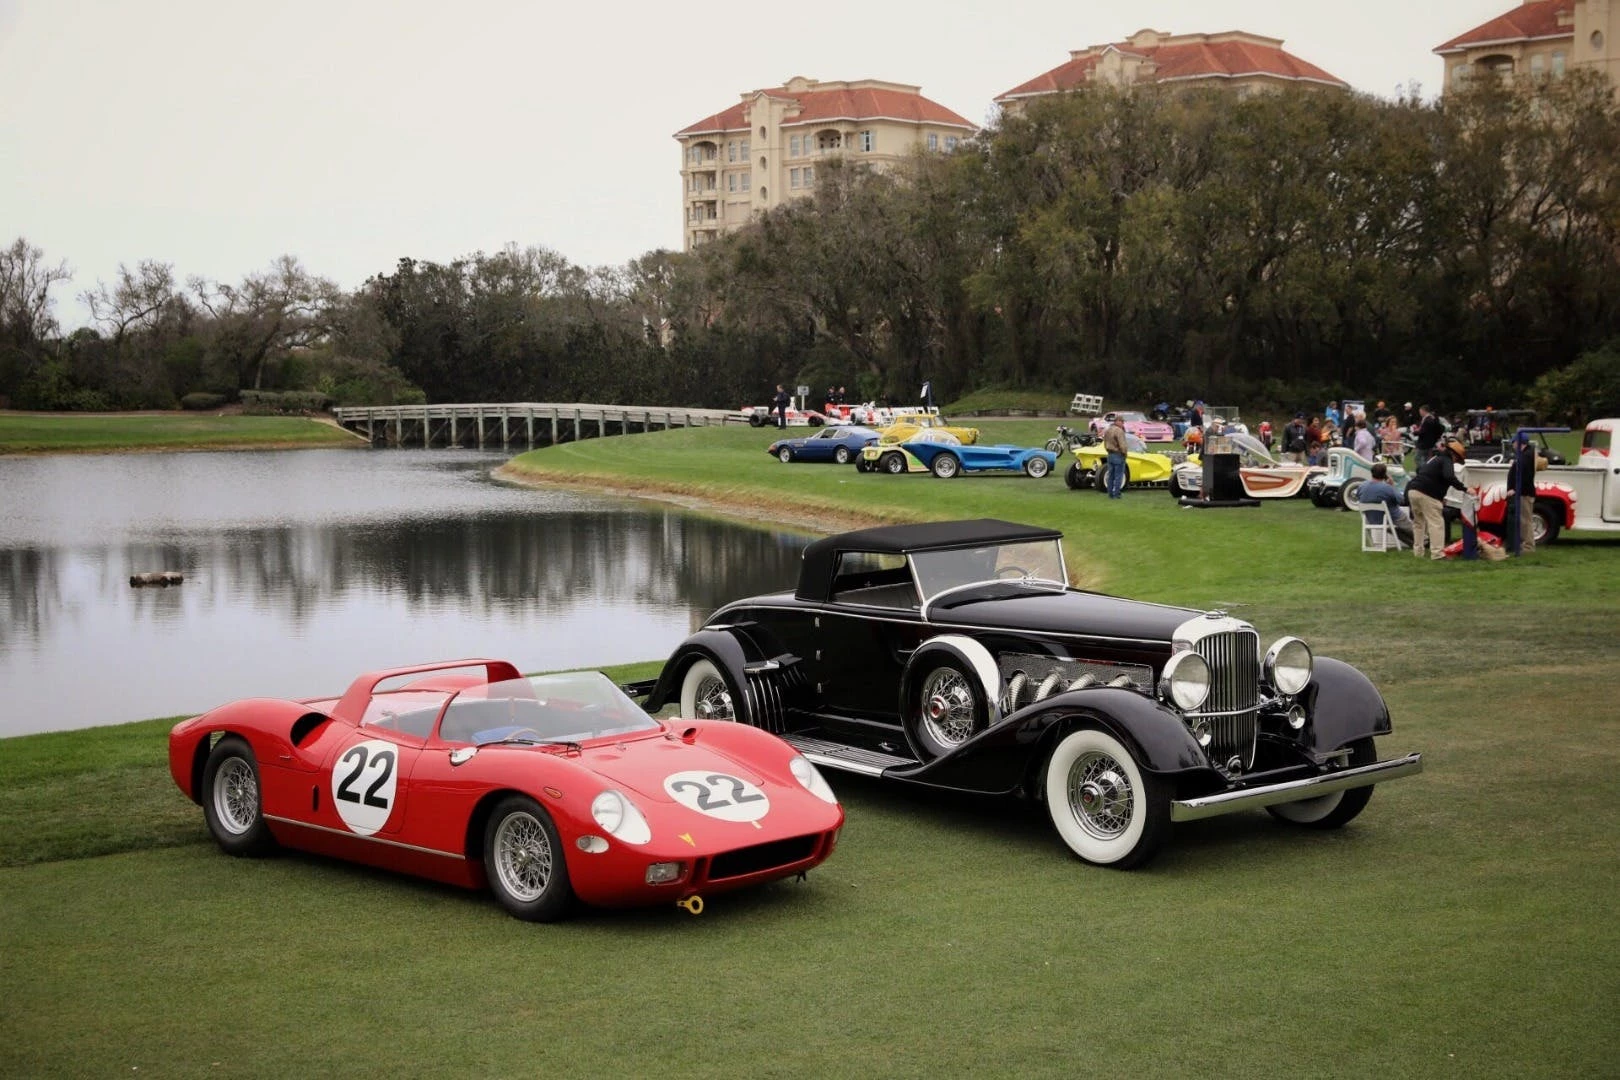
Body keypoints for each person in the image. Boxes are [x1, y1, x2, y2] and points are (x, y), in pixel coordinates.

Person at [1406, 438, 1468, 560]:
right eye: (1457, 459)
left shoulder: (1434, 459)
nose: (1455, 462)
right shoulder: (1446, 460)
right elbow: (1449, 476)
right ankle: (1437, 554)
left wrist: (1440, 496)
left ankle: (1418, 552)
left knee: (1418, 523)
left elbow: (1426, 474)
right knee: (1436, 523)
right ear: (1453, 454)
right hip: (1427, 493)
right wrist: (1464, 488)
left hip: (1413, 490)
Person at [1359, 462, 1414, 548]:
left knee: (1395, 528)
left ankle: (1414, 543)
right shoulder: (1386, 488)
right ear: (1385, 474)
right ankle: (1424, 539)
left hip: (1371, 517)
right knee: (1404, 522)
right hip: (1390, 517)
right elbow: (1401, 500)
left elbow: (1359, 497)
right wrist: (1392, 486)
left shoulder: (1362, 486)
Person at [1506, 430, 1538, 554]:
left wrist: (1515, 489)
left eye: (1514, 442)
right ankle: (1525, 544)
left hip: (1524, 493)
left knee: (1525, 521)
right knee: (1524, 520)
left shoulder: (1525, 457)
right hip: (1523, 492)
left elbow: (1525, 476)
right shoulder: (1526, 455)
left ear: (1519, 442)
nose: (1513, 445)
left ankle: (1528, 546)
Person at [1103, 414, 1129, 499]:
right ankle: (1117, 494)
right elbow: (1122, 445)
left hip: (1110, 455)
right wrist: (1124, 453)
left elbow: (1105, 443)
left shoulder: (1108, 430)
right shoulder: (1119, 431)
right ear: (1118, 421)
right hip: (1118, 455)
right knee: (1118, 476)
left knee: (1111, 475)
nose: (1123, 423)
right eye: (1122, 422)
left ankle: (1110, 493)